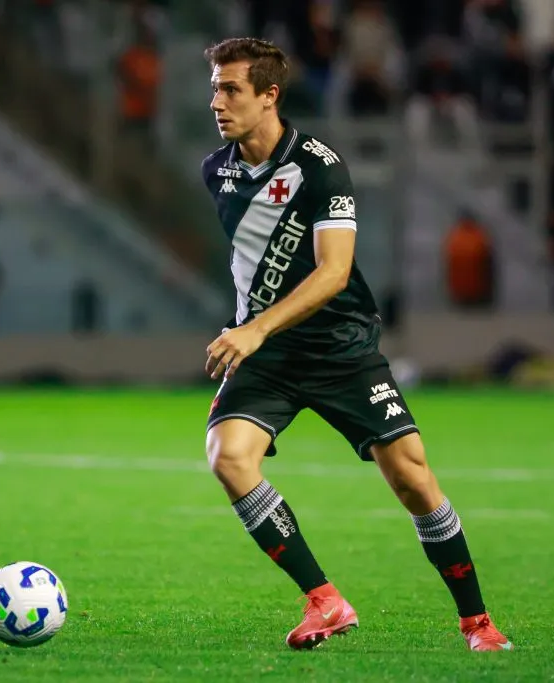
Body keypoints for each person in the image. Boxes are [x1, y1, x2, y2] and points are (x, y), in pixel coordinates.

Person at [200, 38, 512, 652]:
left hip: (340, 347)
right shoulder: (219, 170)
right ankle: (325, 600)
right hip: (270, 354)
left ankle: (477, 623)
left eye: (232, 88)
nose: (217, 101)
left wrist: (256, 325)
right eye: (214, 86)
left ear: (269, 96)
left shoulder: (319, 166)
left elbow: (334, 271)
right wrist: (254, 327)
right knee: (228, 457)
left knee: (414, 481)